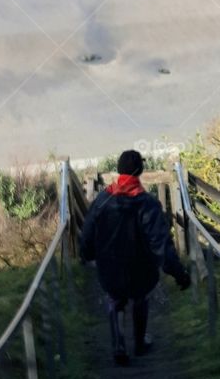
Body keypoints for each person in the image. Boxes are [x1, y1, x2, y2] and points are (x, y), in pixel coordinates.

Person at [79, 149, 191, 365]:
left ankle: (119, 345)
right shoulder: (147, 204)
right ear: (139, 171)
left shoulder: (102, 200)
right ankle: (139, 343)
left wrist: (87, 255)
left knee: (115, 298)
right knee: (140, 297)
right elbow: (161, 244)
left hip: (109, 268)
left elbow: (87, 233)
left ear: (119, 170)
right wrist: (179, 274)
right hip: (141, 270)